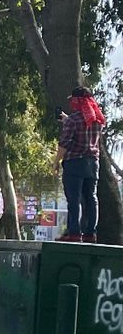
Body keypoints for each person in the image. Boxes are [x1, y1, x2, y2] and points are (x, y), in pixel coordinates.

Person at [58, 86, 105, 242]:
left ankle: (74, 233)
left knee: (74, 199)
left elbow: (64, 144)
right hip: (93, 163)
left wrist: (55, 161)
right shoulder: (98, 120)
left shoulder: (73, 120)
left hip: (74, 163)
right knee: (91, 197)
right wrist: (66, 119)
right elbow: (85, 123)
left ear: (78, 101)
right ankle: (91, 233)